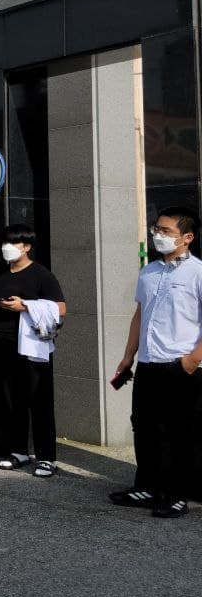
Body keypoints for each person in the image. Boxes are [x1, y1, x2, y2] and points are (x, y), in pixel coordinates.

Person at [109, 207, 202, 518]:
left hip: (180, 366)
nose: (158, 235)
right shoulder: (148, 272)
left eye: (166, 231)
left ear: (187, 237)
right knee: (145, 428)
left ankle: (176, 494)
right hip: (148, 364)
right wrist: (128, 356)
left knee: (179, 432)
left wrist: (191, 361)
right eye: (156, 229)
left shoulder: (198, 273)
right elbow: (139, 316)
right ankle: (147, 486)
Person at [0, 223, 66, 478]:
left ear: (27, 247)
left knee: (40, 400)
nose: (7, 248)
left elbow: (60, 308)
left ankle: (47, 458)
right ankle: (18, 451)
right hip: (2, 344)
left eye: (13, 243)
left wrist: (24, 306)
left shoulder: (41, 275)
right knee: (12, 400)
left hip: (33, 348)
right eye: (5, 243)